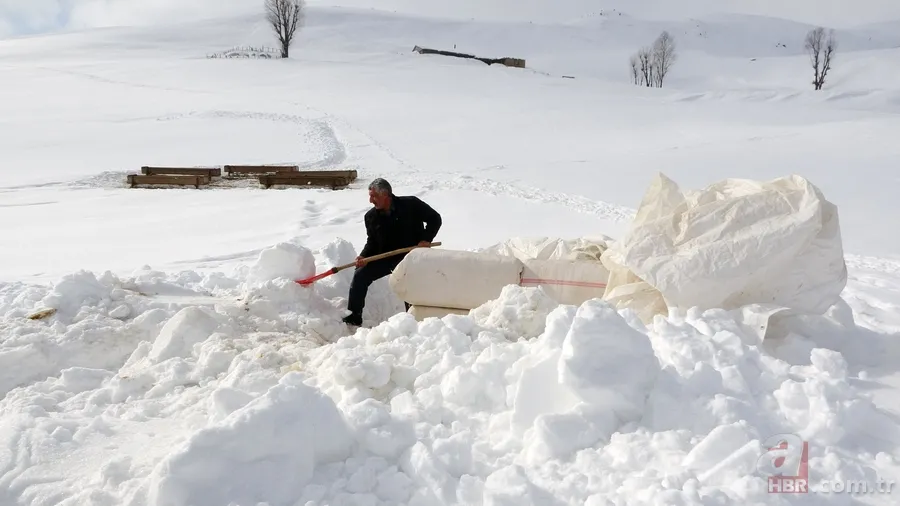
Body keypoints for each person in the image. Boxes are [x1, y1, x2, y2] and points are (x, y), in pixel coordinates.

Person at [342, 178, 442, 326]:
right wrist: (364, 256)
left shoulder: (411, 205)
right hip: (386, 258)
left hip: (411, 256)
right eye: (370, 196)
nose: (370, 200)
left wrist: (426, 239)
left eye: (373, 196)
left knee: (408, 284)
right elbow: (372, 242)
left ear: (386, 195)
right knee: (360, 275)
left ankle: (411, 322)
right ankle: (354, 317)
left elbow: (435, 219)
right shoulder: (371, 217)